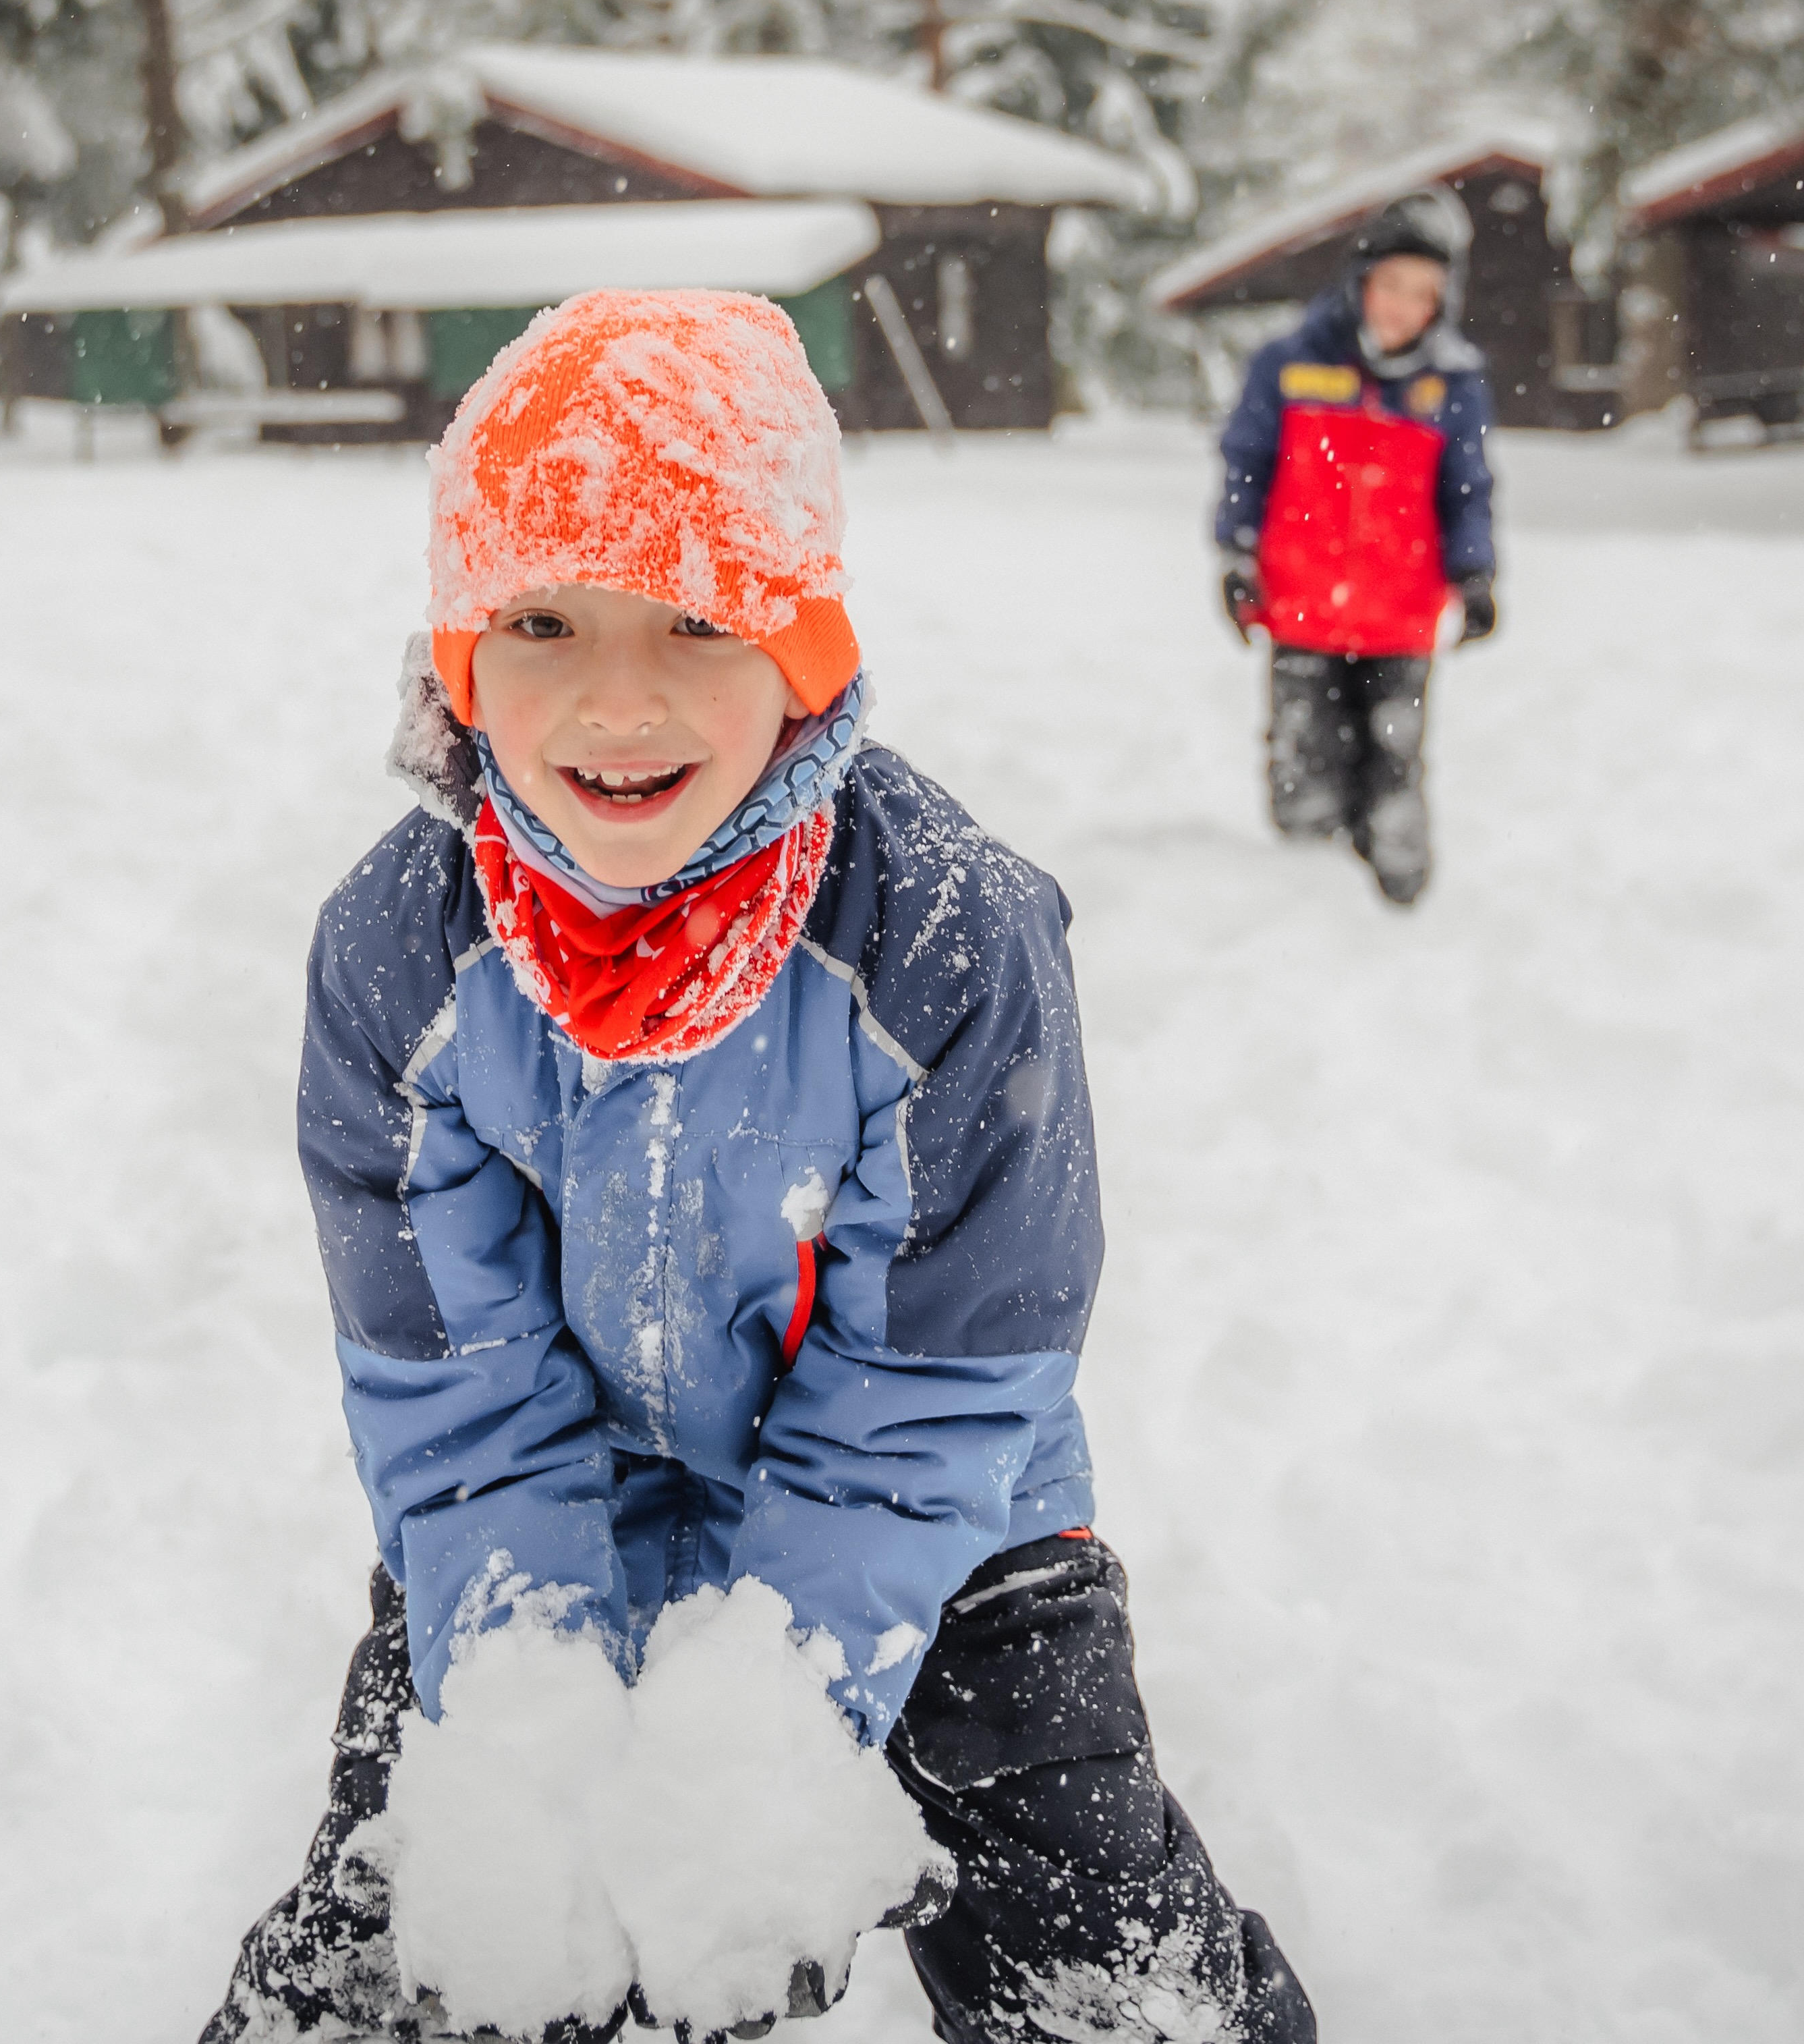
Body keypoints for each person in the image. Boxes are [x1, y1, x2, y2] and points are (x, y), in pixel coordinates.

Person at [205, 292, 1312, 2043]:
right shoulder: (400, 955)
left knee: (1097, 1965)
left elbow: (944, 1378)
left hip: (945, 1533)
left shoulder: (944, 934)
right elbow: (454, 1390)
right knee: (427, 1937)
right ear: (454, 656)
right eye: (543, 620)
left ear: (799, 647)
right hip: (544, 1510)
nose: (615, 702)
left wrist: (775, 1721)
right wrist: (527, 1691)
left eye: (699, 621)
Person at [1212, 191, 1500, 906]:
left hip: (1401, 618)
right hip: (1302, 607)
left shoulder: (1451, 385)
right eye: (1393, 286)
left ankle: (1400, 910)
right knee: (1303, 765)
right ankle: (1309, 906)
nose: (1403, 307)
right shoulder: (1290, 365)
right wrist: (1237, 557)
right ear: (1361, 281)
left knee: (1394, 766)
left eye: (1424, 294)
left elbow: (1467, 489)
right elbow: (1246, 464)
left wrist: (1475, 574)